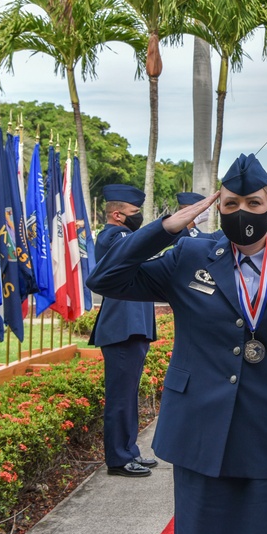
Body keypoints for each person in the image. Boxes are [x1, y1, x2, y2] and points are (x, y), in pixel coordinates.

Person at [87, 154, 267, 534]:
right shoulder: (187, 258)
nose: (243, 213)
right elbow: (106, 278)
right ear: (218, 208)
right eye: (232, 204)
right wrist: (165, 229)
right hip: (199, 433)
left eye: (254, 204)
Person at [90, 184, 158, 478]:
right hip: (122, 327)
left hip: (133, 325)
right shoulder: (113, 236)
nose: (138, 216)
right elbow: (138, 247)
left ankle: (129, 450)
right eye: (134, 212)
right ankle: (118, 458)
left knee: (128, 394)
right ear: (117, 215)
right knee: (120, 396)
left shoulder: (125, 236)